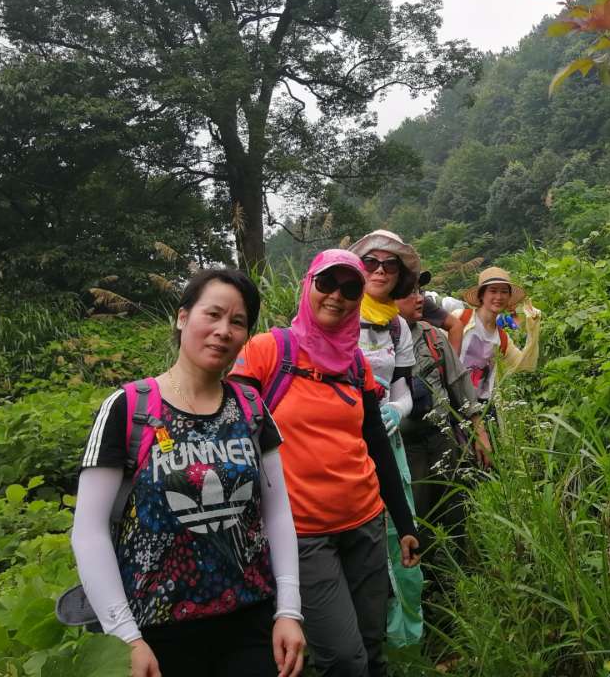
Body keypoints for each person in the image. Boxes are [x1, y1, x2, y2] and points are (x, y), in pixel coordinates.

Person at [72, 268, 307, 677]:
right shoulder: (129, 408)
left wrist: (288, 610)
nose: (223, 330)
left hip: (249, 618)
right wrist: (126, 636)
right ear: (182, 317)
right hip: (158, 630)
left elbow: (277, 512)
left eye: (237, 322)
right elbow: (88, 530)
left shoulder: (250, 407)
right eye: (212, 314)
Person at [228, 250, 419, 677]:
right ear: (307, 285)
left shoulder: (355, 364)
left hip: (365, 524)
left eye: (351, 288)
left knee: (372, 648)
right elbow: (232, 435)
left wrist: (404, 524)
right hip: (304, 536)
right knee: (344, 661)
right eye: (327, 284)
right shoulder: (268, 352)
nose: (337, 296)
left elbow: (376, 447)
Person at [346, 229, 425, 648]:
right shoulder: (336, 311)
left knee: (400, 529)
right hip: (342, 440)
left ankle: (405, 638)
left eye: (389, 265)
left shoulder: (397, 327)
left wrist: (398, 409)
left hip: (387, 439)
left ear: (399, 276)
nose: (379, 270)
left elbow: (403, 387)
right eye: (371, 262)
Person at [396, 274, 491, 565]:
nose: (419, 297)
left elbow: (459, 381)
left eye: (419, 291)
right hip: (405, 448)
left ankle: (457, 577)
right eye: (409, 293)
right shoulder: (378, 345)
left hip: (441, 437)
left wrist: (479, 431)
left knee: (455, 511)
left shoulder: (431, 336)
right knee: (417, 518)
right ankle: (424, 587)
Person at [451, 267, 542, 405]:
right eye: (493, 291)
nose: (499, 297)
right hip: (452, 401)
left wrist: (533, 327)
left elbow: (525, 365)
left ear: (509, 297)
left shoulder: (503, 339)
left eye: (504, 292)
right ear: (481, 295)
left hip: (483, 409)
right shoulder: (459, 319)